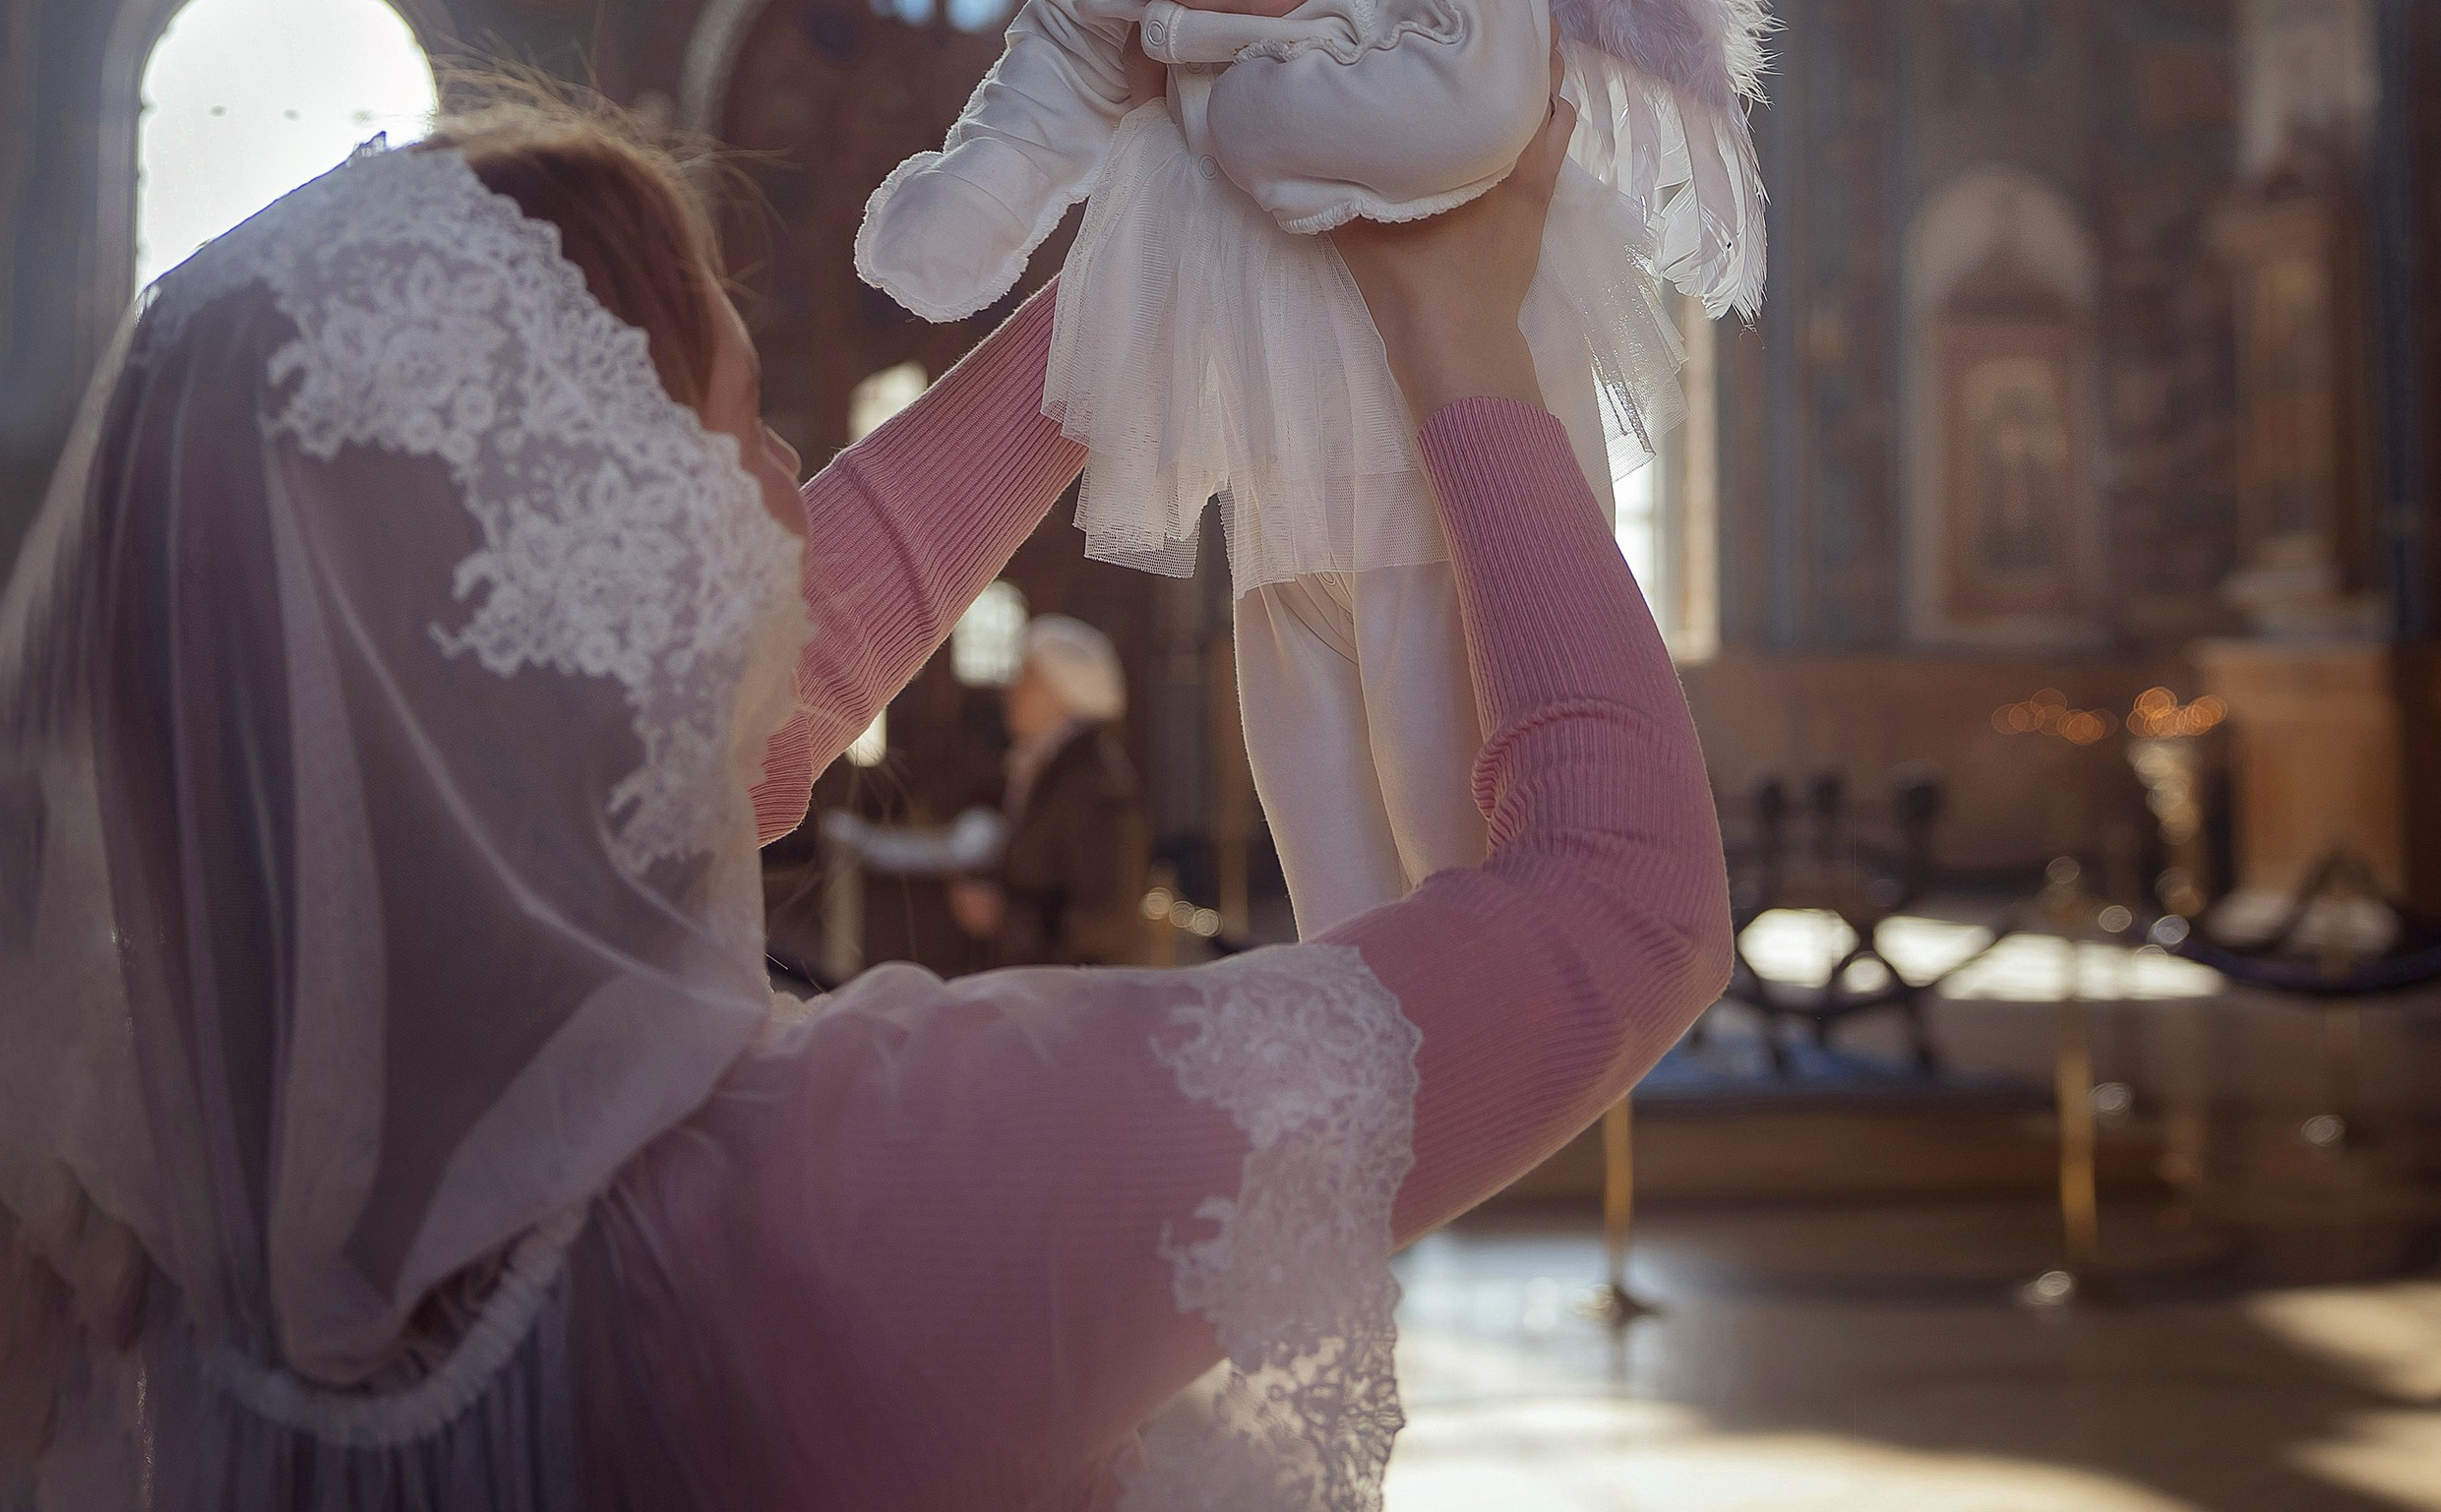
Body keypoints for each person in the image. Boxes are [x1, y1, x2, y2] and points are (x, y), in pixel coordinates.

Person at [0, 77, 1731, 1509]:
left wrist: (1129, 303)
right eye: (741, 430)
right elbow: (1624, 902)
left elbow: (735, 717)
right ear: (628, 573)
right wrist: (1463, 339)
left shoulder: (145, 1258)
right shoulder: (849, 1204)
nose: (783, 492)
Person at [857, 0, 1768, 932]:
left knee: (1462, 831)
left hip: (1458, 495)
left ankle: (1482, 1026)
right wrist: (964, 207)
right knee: (1322, 829)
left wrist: (1228, 97)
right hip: (1282, 509)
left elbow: (1459, 118)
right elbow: (1048, 75)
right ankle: (1367, 1022)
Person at [947, 615, 1147, 968]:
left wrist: (1002, 917)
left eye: (1027, 678)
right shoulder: (1045, 766)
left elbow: (1106, 917)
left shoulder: (1092, 781)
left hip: (1075, 997)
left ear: (1063, 691)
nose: (1010, 690)